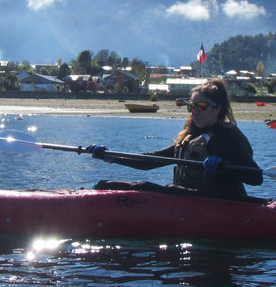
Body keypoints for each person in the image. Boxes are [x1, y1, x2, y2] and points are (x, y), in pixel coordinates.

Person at [88, 78, 263, 199]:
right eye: (192, 107)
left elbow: (256, 178)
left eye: (201, 106)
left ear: (217, 109)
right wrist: (112, 156)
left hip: (223, 205)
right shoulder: (191, 137)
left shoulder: (227, 138)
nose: (195, 111)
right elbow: (152, 160)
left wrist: (225, 167)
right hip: (191, 201)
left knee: (153, 188)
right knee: (109, 184)